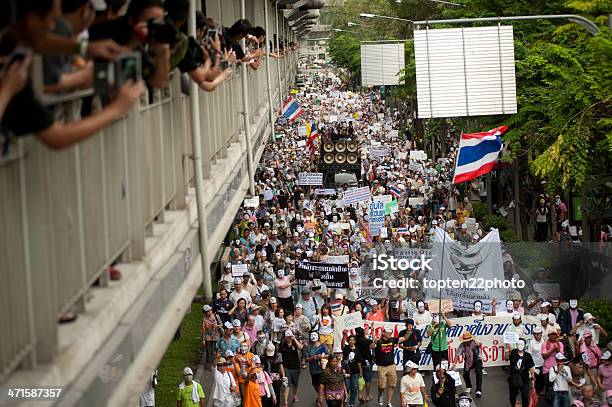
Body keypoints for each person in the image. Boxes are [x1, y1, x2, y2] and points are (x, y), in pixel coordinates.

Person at [0, 0, 144, 150]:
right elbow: (58, 137)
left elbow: (35, 41)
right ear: (33, 19)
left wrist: (85, 48)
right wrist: (117, 108)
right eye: (52, 20)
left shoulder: (15, 58)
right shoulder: (14, 75)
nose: (54, 26)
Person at [505, 338, 536, 407]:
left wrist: (533, 379)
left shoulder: (528, 356)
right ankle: (513, 405)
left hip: (524, 380)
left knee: (525, 397)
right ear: (516, 345)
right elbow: (506, 358)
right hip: (514, 379)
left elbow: (531, 367)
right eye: (519, 344)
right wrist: (507, 349)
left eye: (522, 344)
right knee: (512, 396)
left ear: (525, 345)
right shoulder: (513, 352)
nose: (520, 346)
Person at [453, 332, 483, 398]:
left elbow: (480, 344)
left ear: (470, 340)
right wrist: (454, 364)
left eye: (468, 341)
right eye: (465, 341)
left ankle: (478, 390)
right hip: (468, 360)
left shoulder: (475, 343)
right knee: (465, 374)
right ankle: (468, 386)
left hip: (477, 359)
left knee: (479, 373)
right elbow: (457, 355)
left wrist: (479, 344)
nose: (466, 342)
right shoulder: (462, 345)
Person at [374, 327, 398, 407]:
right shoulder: (379, 341)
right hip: (382, 367)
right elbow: (371, 347)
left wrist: (409, 331)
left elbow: (403, 338)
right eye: (388, 332)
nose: (389, 334)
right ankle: (380, 394)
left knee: (392, 385)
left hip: (391, 365)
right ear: (383, 333)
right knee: (382, 386)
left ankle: (389, 402)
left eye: (390, 332)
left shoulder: (392, 340)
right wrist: (374, 342)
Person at [278, 329, 303, 404]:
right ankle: (285, 401)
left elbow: (301, 347)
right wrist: (281, 369)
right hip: (286, 367)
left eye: (290, 336)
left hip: (296, 366)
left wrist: (294, 338)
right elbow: (279, 357)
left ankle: (294, 395)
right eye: (287, 337)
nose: (289, 338)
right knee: (287, 384)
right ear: (284, 337)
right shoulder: (282, 345)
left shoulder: (295, 343)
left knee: (295, 383)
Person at [343, 335, 364, 407]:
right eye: (350, 340)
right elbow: (342, 343)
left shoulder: (357, 350)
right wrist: (343, 335)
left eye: (353, 340)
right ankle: (345, 399)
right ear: (348, 341)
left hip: (355, 372)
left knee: (354, 387)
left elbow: (359, 362)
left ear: (355, 341)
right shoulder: (345, 348)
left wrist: (361, 372)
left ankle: (352, 402)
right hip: (346, 371)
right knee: (347, 387)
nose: (351, 341)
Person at [355, 327, 374, 402]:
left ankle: (360, 395)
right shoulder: (367, 341)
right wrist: (371, 333)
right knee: (368, 379)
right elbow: (373, 345)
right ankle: (367, 396)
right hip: (367, 362)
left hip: (359, 363)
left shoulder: (355, 342)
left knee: (360, 378)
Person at [202, 304, 221, 370]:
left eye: (210, 310)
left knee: (217, 349)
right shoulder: (204, 319)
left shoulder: (216, 316)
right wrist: (203, 340)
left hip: (216, 335)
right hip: (208, 337)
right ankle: (209, 364)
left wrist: (217, 326)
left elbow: (221, 324)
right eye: (207, 311)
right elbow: (203, 330)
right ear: (205, 313)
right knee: (208, 351)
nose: (210, 312)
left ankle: (217, 363)